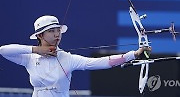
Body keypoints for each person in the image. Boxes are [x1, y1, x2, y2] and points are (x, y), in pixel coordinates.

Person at [0, 15, 151, 97]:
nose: (57, 34)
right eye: (51, 31)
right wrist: (36, 50)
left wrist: (134, 54)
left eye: (58, 30)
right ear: (40, 35)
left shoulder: (68, 58)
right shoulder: (29, 58)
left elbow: (101, 62)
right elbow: (3, 50)